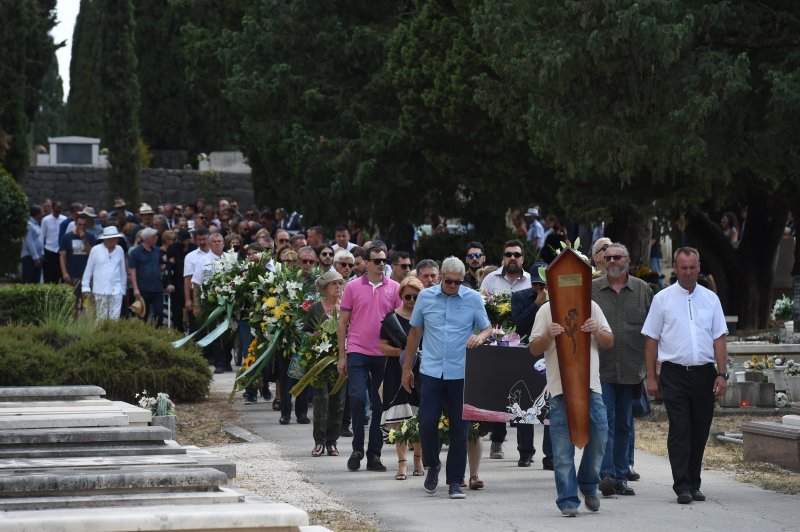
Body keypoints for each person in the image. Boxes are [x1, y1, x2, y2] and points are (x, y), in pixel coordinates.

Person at [641, 247, 728, 504]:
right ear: (675, 269)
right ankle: (682, 485)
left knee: (700, 429)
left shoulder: (711, 299)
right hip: (674, 373)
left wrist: (722, 373)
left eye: (692, 267)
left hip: (704, 373)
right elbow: (651, 340)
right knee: (680, 428)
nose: (688, 272)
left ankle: (694, 481)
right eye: (683, 267)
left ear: (699, 267)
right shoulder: (662, 299)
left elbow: (720, 338)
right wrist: (651, 378)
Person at [401, 256, 493, 500]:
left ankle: (454, 481)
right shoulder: (426, 297)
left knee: (459, 429)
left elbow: (487, 327)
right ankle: (432, 465)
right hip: (431, 370)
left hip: (460, 372)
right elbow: (415, 332)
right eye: (449, 281)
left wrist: (480, 337)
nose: (453, 286)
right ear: (440, 276)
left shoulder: (472, 298)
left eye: (458, 282)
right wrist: (406, 369)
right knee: (427, 422)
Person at [530, 289, 613, 517]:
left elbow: (609, 340)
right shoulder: (546, 310)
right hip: (559, 390)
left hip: (591, 387)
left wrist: (596, 329)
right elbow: (534, 348)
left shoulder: (591, 306)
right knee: (562, 448)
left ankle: (587, 483)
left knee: (600, 437)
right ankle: (567, 498)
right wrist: (548, 335)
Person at [592, 243, 653, 497]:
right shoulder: (593, 290)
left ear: (628, 260)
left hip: (631, 369)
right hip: (602, 368)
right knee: (604, 421)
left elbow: (653, 331)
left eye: (618, 257)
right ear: (602, 261)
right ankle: (605, 474)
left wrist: (654, 367)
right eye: (608, 258)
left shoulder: (642, 290)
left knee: (625, 425)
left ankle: (620, 476)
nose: (613, 261)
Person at [337, 245, 402, 473]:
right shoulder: (353, 287)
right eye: (376, 261)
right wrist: (341, 356)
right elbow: (343, 322)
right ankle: (357, 449)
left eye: (384, 260)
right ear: (365, 262)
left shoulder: (394, 288)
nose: (381, 264)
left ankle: (374, 455)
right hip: (357, 350)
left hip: (383, 354)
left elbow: (401, 322)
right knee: (356, 398)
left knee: (379, 405)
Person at [479, 239, 532, 461]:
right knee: (499, 393)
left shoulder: (531, 280)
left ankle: (525, 450)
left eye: (516, 254)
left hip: (524, 342)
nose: (512, 258)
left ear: (522, 258)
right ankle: (497, 440)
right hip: (497, 341)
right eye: (508, 254)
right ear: (503, 257)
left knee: (524, 395)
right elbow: (480, 307)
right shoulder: (491, 279)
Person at [380, 276, 425, 480]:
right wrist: (404, 353)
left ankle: (418, 459)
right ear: (401, 296)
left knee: (419, 417)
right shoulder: (392, 318)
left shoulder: (426, 317)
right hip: (395, 372)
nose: (412, 301)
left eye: (417, 296)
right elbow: (382, 346)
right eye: (408, 296)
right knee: (399, 420)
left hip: (423, 372)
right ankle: (402, 464)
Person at [510, 262, 553, 470]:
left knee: (551, 405)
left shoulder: (557, 298)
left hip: (551, 353)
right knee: (526, 404)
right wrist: (537, 303)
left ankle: (551, 456)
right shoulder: (520, 297)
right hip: (526, 352)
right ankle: (525, 452)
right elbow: (518, 325)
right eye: (537, 284)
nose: (541, 289)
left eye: (545, 285)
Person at [306, 271, 347, 457]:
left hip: (341, 361)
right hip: (319, 363)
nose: (338, 287)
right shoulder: (315, 309)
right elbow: (304, 332)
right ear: (324, 289)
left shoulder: (347, 307)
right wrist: (313, 337)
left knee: (338, 403)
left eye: (340, 283)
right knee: (321, 401)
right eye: (334, 284)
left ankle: (332, 442)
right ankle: (319, 441)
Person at [81, 226, 127, 320]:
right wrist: (85, 287)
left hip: (117, 290)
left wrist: (123, 289)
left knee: (115, 319)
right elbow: (88, 269)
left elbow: (123, 271)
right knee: (101, 318)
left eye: (117, 238)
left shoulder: (120, 250)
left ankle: (113, 335)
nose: (117, 240)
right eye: (114, 238)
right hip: (100, 290)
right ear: (107, 239)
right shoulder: (95, 250)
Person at [129, 227, 171, 327]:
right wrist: (135, 288)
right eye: (154, 237)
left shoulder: (157, 250)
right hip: (143, 288)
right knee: (142, 314)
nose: (156, 238)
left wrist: (169, 264)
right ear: (147, 238)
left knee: (159, 313)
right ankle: (143, 335)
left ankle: (158, 333)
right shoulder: (135, 252)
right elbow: (132, 271)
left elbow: (161, 266)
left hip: (157, 287)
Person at [59, 213, 96, 310]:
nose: (81, 227)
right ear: (75, 223)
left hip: (86, 278)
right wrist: (64, 273)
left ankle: (84, 322)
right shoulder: (67, 237)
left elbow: (92, 254)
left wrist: (84, 239)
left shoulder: (91, 237)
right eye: (79, 224)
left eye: (84, 225)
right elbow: (62, 256)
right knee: (72, 305)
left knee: (86, 305)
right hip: (72, 276)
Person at [41, 200, 66, 283]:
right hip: (49, 250)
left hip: (60, 250)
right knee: (49, 275)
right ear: (53, 208)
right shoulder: (46, 220)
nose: (57, 212)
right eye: (56, 210)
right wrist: (42, 252)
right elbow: (42, 236)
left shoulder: (64, 219)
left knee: (60, 275)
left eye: (59, 210)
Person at [21, 205, 45, 283]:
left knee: (36, 281)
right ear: (37, 214)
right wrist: (35, 258)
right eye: (41, 212)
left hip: (37, 258)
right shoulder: (29, 225)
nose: (43, 214)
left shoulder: (37, 224)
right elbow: (29, 242)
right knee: (28, 280)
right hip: (29, 257)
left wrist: (41, 254)